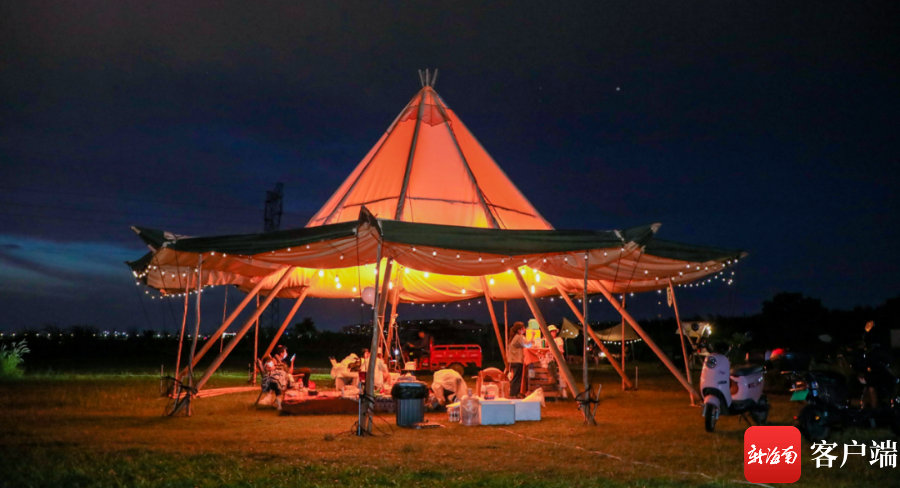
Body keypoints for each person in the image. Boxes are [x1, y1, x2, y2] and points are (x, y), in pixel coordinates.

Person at [507, 322, 528, 398]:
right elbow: (527, 345)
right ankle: (513, 394)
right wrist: (532, 336)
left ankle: (515, 393)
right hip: (517, 360)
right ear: (519, 330)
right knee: (517, 378)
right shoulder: (518, 337)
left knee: (517, 377)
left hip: (513, 360)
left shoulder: (514, 337)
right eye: (523, 328)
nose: (525, 329)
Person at [547, 325, 568, 399]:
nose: (554, 333)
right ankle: (556, 391)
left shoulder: (558, 339)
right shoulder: (547, 340)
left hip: (558, 360)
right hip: (550, 360)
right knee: (553, 374)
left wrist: (558, 352)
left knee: (562, 374)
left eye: (554, 331)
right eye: (552, 331)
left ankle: (564, 391)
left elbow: (560, 348)